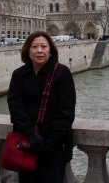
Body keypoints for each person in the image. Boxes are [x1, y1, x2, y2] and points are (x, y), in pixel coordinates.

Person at [7, 31, 76, 183]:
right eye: (35, 47)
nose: (39, 50)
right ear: (28, 50)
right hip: (27, 144)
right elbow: (16, 108)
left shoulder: (62, 73)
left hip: (55, 148)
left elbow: (66, 111)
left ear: (51, 51)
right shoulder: (19, 75)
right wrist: (31, 135)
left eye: (44, 46)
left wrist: (50, 143)